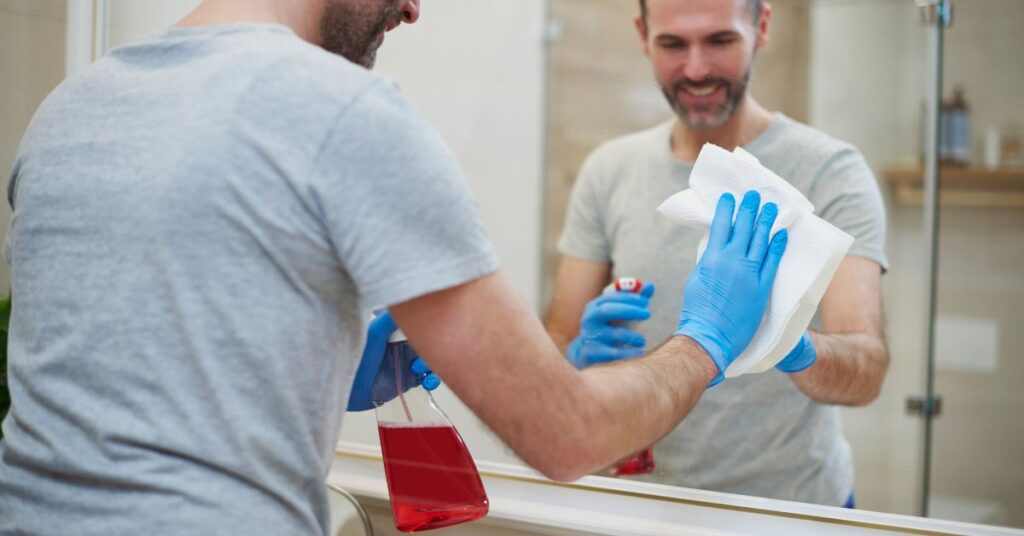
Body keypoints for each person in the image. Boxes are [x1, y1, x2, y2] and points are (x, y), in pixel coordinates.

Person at [0, 0, 790, 534]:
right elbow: (566, 435)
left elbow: (135, 371)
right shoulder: (347, 110)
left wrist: (312, 359)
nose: (413, 6)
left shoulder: (71, 107)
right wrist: (707, 339)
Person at [545, 0, 890, 508]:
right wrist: (572, 361)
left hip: (788, 508)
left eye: (720, 41)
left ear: (761, 28)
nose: (697, 68)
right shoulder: (609, 170)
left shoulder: (832, 171)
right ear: (642, 35)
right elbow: (559, 334)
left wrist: (787, 342)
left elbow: (867, 372)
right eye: (672, 44)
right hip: (637, 506)